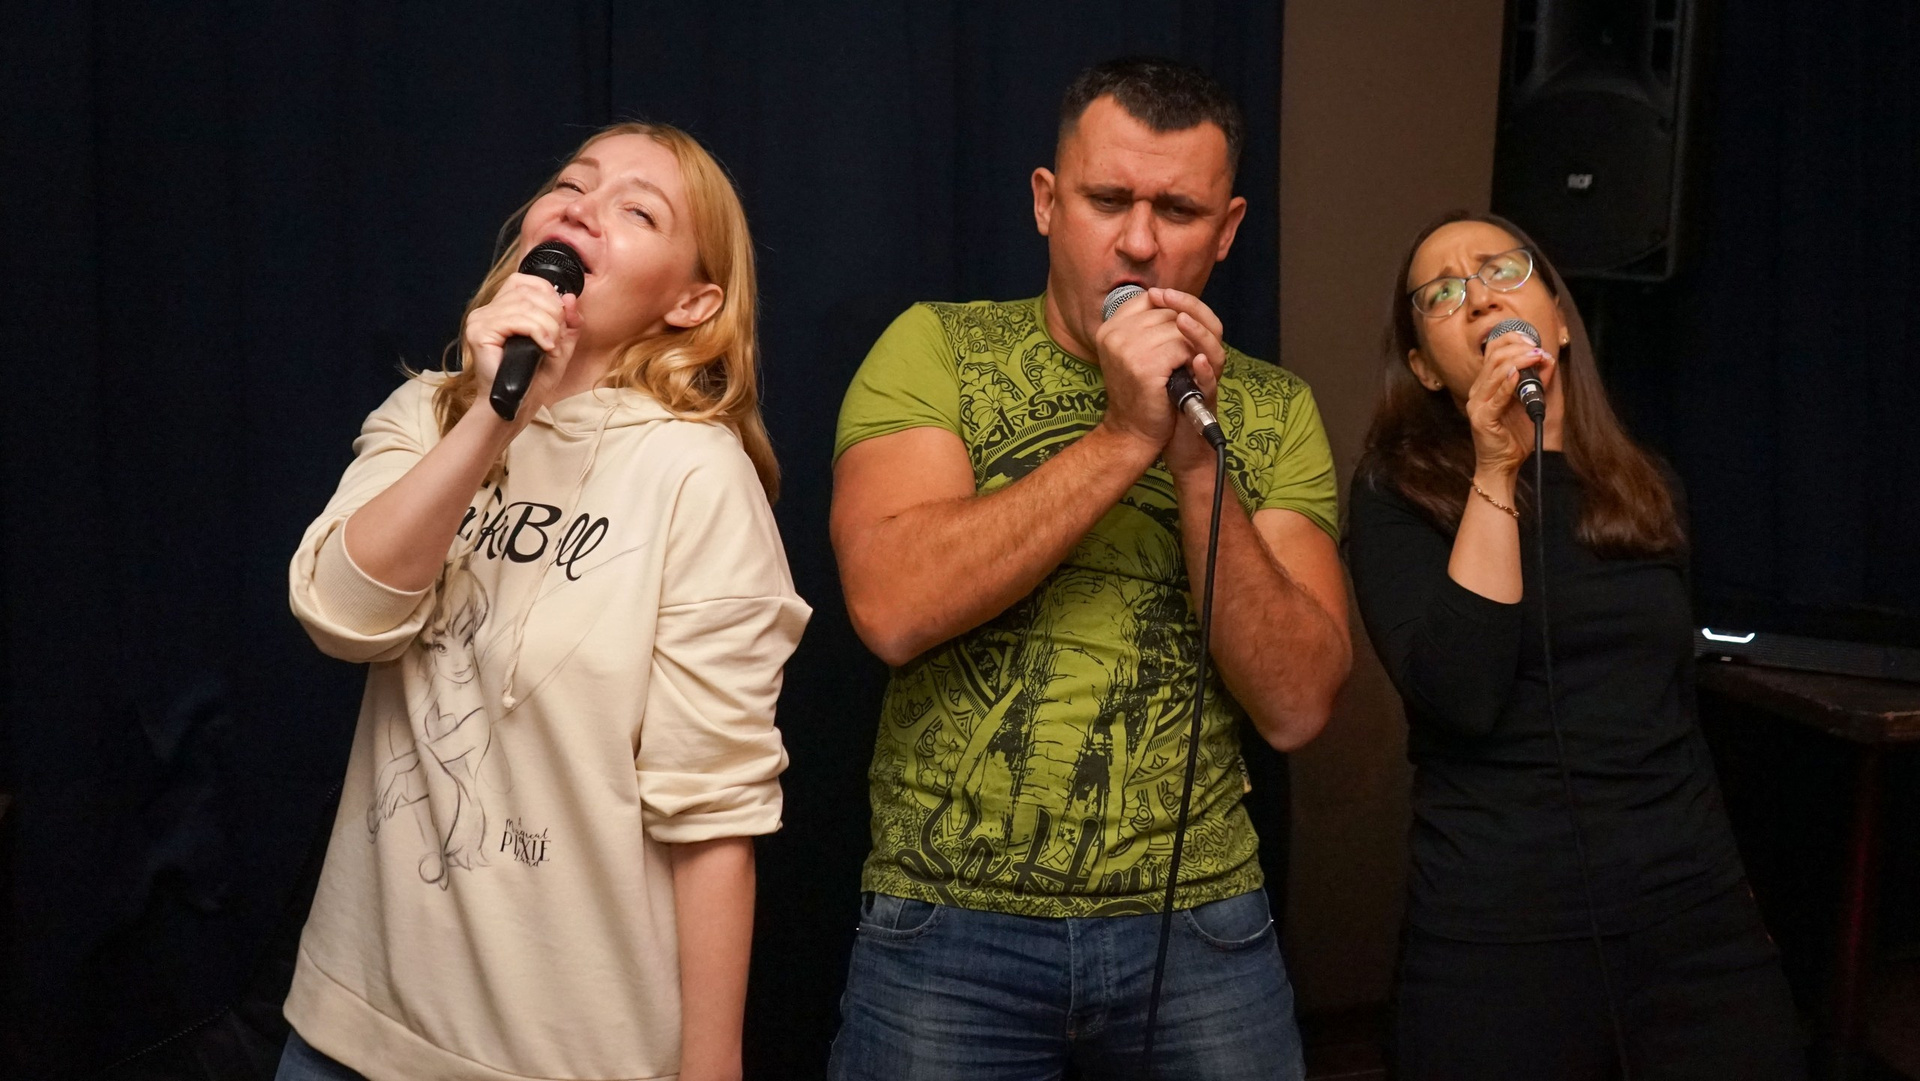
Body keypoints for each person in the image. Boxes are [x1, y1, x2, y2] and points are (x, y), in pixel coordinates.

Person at [827, 57, 1349, 1079]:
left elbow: (1296, 704)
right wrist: (1122, 436)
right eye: (1109, 199)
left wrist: (1195, 460)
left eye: (1179, 210)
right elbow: (891, 605)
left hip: (1200, 925)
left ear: (1228, 229)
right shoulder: (938, 348)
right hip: (950, 927)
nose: (1141, 240)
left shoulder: (1276, 408)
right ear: (1046, 201)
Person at [280, 122, 809, 1081]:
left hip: (566, 1058)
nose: (585, 210)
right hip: (349, 1034)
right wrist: (492, 417)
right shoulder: (430, 412)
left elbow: (713, 814)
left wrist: (713, 1069)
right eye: (572, 184)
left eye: (638, 211)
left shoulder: (695, 478)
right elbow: (342, 616)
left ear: (692, 301)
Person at [1346, 210, 1805, 1079]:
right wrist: (1495, 467)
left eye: (1501, 269)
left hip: (1692, 918)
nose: (1480, 297)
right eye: (1442, 293)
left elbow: (1672, 705)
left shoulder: (1645, 485)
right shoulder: (1394, 494)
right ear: (1424, 367)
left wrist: (1732, 892)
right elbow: (1462, 695)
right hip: (1498, 936)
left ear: (1557, 317)